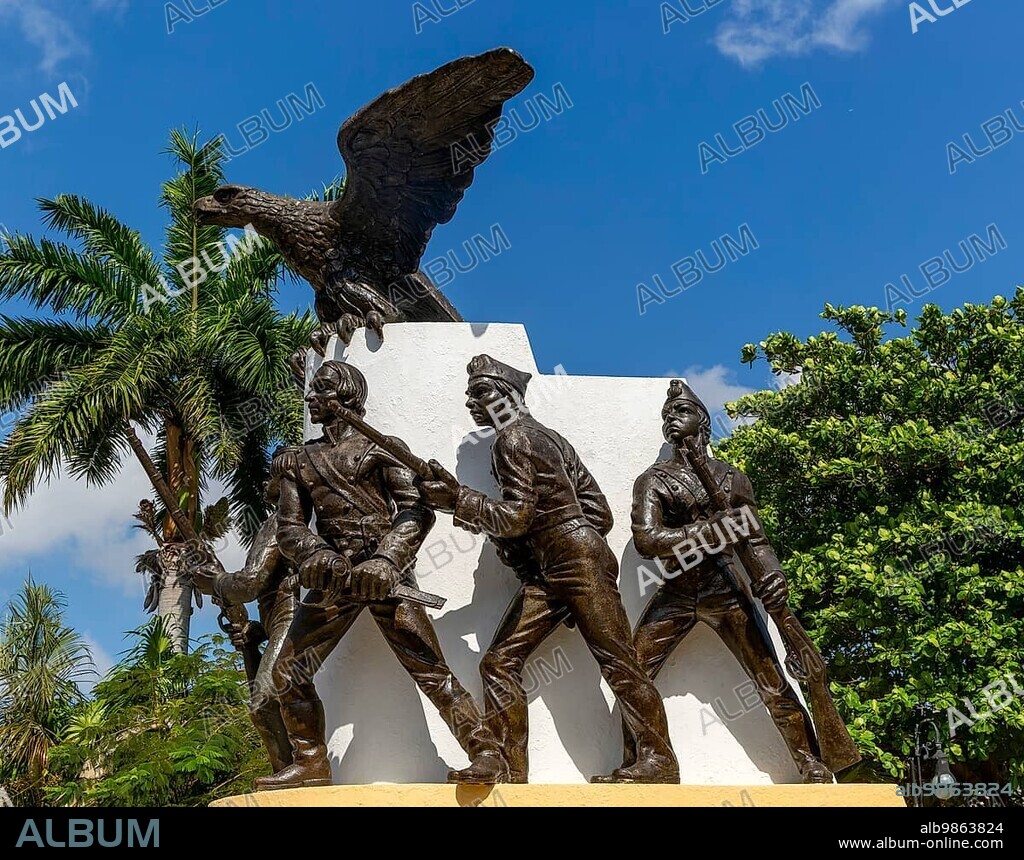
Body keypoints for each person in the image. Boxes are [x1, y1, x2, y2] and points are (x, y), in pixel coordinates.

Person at [419, 354, 679, 784]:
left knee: (618, 662)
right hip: (559, 567)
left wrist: (457, 501)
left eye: (480, 392)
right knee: (500, 663)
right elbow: (599, 513)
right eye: (470, 393)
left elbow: (518, 517)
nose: (470, 401)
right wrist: (558, 544)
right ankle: (508, 768)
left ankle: (659, 761)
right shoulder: (551, 438)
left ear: (507, 396)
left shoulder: (513, 440)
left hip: (573, 563)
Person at [258, 360, 502, 790]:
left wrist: (388, 560)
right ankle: (312, 761)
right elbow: (289, 528)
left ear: (348, 396)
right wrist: (315, 552)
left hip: (384, 576)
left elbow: (416, 509)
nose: (311, 397)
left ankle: (485, 752)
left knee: (431, 669)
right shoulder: (297, 461)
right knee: (287, 672)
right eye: (311, 390)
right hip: (333, 579)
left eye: (323, 389)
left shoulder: (382, 448)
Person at [622, 379, 832, 784]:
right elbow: (648, 541)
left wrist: (773, 578)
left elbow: (756, 540)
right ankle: (647, 761)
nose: (671, 420)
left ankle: (811, 761)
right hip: (677, 589)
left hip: (726, 588)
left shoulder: (733, 479)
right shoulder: (655, 480)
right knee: (631, 674)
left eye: (680, 413)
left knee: (769, 677)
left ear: (702, 422)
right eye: (667, 416)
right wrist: (709, 530)